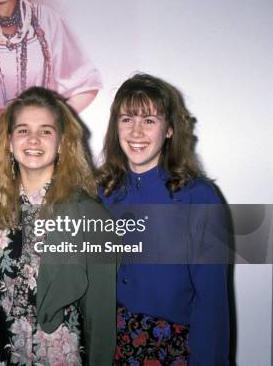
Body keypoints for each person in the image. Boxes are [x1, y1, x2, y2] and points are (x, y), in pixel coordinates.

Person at [97, 73, 229, 365]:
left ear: (169, 129)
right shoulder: (99, 193)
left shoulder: (200, 197)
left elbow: (212, 300)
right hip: (105, 345)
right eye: (127, 118)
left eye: (149, 120)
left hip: (171, 347)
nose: (136, 131)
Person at [0, 86, 116, 365]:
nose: (33, 139)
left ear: (62, 142)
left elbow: (100, 313)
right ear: (8, 141)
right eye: (23, 130)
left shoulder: (91, 216)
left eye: (45, 131)